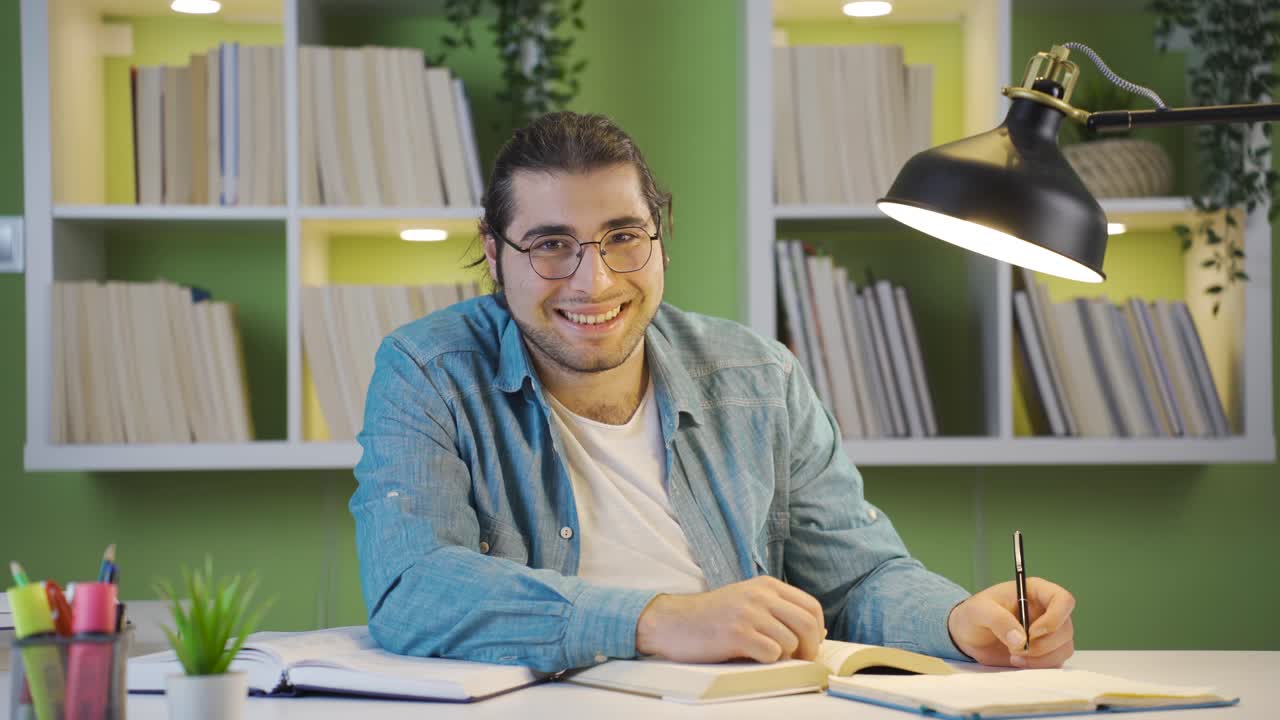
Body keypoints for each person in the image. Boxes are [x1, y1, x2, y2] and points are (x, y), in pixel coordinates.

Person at [350, 111, 1075, 673]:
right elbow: (412, 587)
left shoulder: (758, 375)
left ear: (660, 238)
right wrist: (660, 619)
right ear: (494, 249)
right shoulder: (428, 370)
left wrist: (959, 620)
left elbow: (858, 581)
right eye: (549, 245)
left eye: (622, 237)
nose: (592, 281)